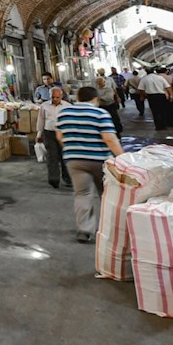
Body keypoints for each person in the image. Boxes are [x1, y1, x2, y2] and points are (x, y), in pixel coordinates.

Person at [57, 86, 125, 243]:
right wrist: (122, 158)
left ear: (78, 98)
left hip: (74, 160)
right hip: (100, 160)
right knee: (106, 195)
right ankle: (111, 230)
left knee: (82, 194)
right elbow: (110, 139)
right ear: (95, 99)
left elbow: (60, 137)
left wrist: (72, 149)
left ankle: (84, 230)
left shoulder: (64, 113)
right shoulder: (100, 113)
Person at [36, 86, 69, 189]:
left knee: (65, 156)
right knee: (52, 156)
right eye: (53, 97)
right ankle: (54, 179)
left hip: (64, 134)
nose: (55, 99)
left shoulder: (67, 106)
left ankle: (68, 178)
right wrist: (39, 134)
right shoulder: (44, 106)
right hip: (49, 133)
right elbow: (41, 120)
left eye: (57, 97)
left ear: (61, 96)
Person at [94, 70, 123, 135]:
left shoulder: (108, 88)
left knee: (114, 118)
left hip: (110, 105)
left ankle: (117, 131)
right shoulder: (97, 89)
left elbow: (109, 97)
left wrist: (100, 98)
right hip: (101, 106)